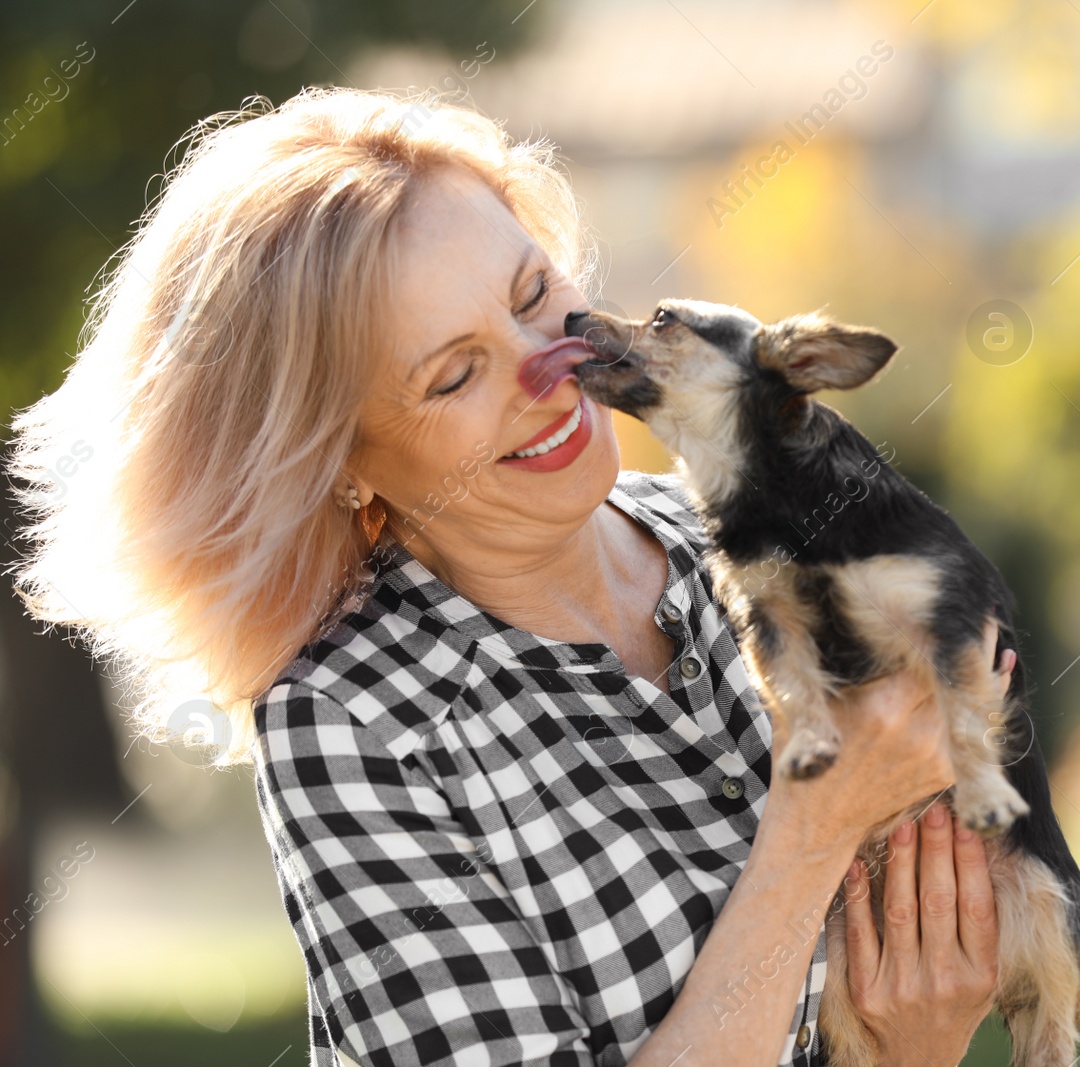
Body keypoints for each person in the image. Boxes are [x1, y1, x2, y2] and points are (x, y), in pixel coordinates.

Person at [7, 87, 1013, 1066]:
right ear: (337, 460)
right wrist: (812, 835)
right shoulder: (352, 721)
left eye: (535, 294)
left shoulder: (741, 551)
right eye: (454, 374)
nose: (546, 369)